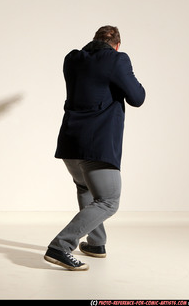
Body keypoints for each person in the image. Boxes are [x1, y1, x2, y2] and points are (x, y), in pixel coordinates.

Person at [44, 25, 145, 271]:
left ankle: (96, 244)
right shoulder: (117, 60)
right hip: (97, 144)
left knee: (86, 189)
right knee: (109, 200)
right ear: (117, 45)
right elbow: (137, 98)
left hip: (70, 142)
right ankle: (61, 245)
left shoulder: (72, 58)